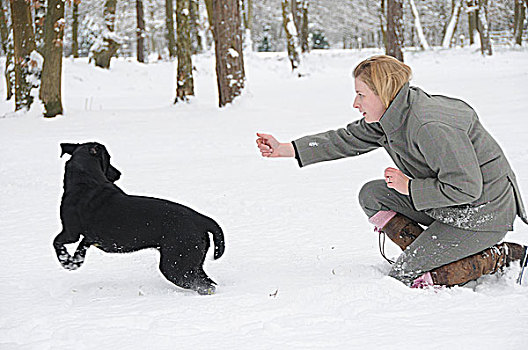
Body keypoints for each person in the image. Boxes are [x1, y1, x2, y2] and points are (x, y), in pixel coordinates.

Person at [256, 55, 528, 288]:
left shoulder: (429, 125)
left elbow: (466, 187)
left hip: (482, 212)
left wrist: (409, 187)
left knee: (407, 275)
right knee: (373, 195)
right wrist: (285, 148)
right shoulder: (392, 115)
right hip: (446, 205)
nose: (355, 103)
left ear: (384, 93)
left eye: (361, 94)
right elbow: (345, 139)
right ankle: (435, 249)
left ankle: (504, 255)